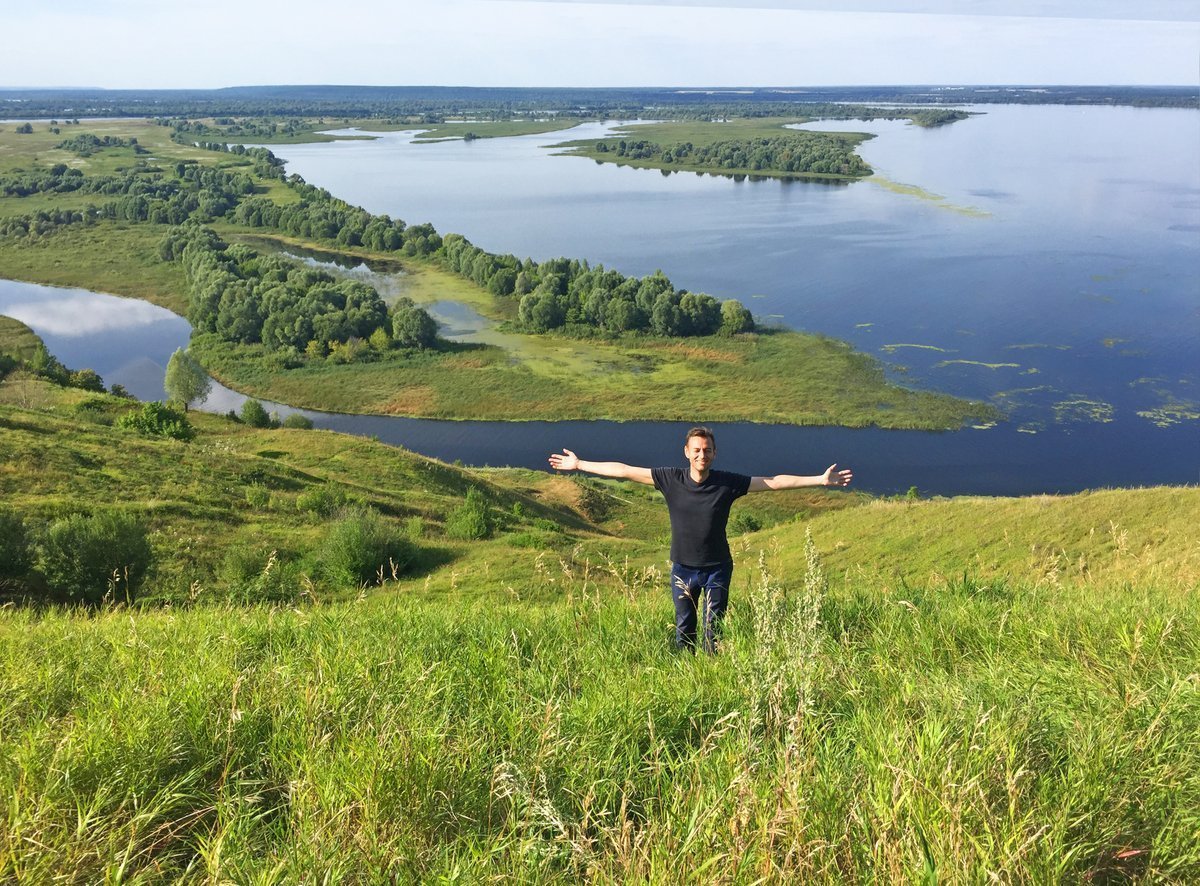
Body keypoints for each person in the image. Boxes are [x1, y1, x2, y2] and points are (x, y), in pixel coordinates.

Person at [548, 426, 852, 652]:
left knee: (713, 631)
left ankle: (712, 674)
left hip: (718, 567)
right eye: (696, 450)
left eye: (707, 450)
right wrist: (580, 465)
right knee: (684, 630)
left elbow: (774, 482)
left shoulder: (727, 483)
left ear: (714, 453)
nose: (701, 455)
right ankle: (687, 675)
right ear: (686, 452)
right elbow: (624, 471)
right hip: (683, 569)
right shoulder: (670, 479)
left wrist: (820, 480)